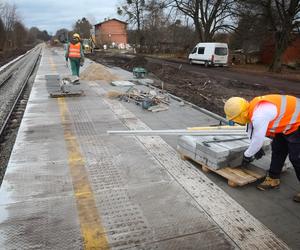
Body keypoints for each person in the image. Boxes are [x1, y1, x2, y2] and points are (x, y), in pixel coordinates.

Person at [224, 94, 300, 203]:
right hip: (287, 124)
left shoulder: (259, 115)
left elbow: (258, 140)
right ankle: (273, 179)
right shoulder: (250, 110)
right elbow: (251, 131)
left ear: (241, 114)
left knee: (296, 157)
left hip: (298, 123)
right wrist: (254, 148)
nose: (236, 121)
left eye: (235, 118)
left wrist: (247, 156)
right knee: (278, 149)